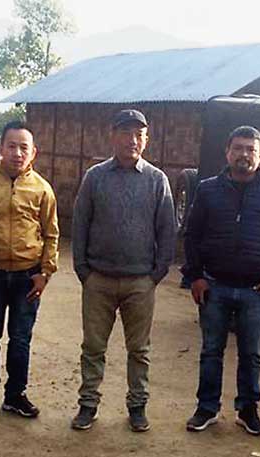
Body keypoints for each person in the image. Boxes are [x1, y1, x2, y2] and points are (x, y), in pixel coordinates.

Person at [182, 126, 260, 434]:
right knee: (211, 351)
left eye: (251, 149)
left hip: (255, 290)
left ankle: (248, 410)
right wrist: (195, 277)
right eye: (238, 148)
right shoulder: (207, 189)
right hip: (214, 285)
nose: (244, 154)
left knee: (251, 353)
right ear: (227, 152)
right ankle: (206, 408)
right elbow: (191, 235)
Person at [70, 109, 176, 432]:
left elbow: (167, 229)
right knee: (93, 348)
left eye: (139, 135)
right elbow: (80, 223)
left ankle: (137, 406)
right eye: (126, 133)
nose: (132, 140)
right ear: (113, 136)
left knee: (139, 350)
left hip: (140, 281)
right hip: (98, 279)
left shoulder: (157, 180)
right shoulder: (95, 177)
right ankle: (88, 405)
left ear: (146, 139)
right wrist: (84, 271)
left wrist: (155, 274)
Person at [0, 121, 58, 421]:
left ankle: (16, 395)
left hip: (26, 278)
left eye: (24, 148)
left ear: (34, 153)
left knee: (20, 338)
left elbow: (51, 234)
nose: (18, 153)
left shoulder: (42, 189)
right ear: (1, 149)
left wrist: (45, 273)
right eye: (12, 146)